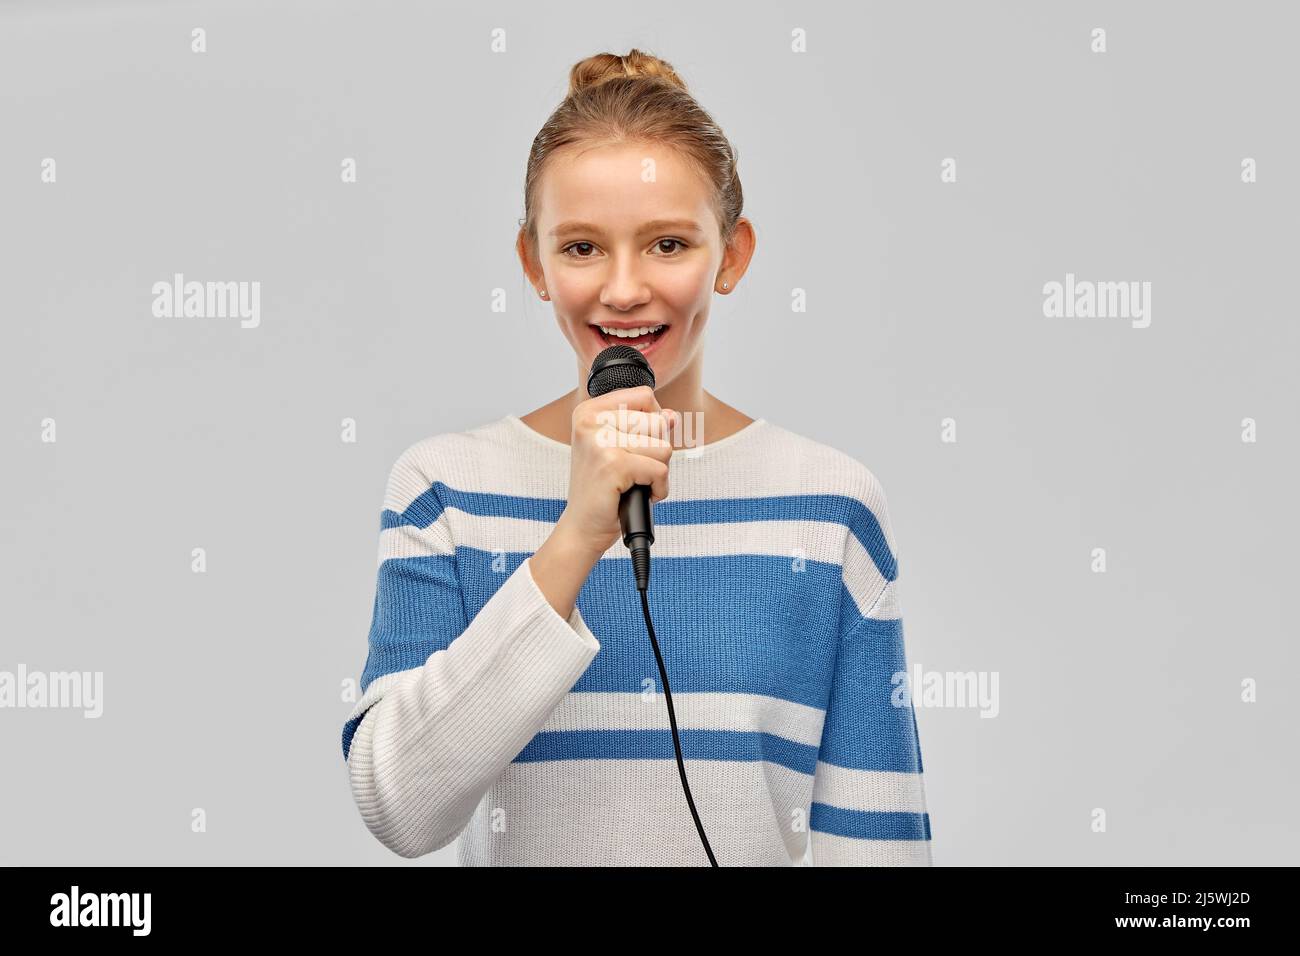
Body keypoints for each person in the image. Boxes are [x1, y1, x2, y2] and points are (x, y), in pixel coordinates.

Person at [341, 49, 933, 866]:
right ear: (532, 263)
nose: (622, 290)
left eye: (666, 244)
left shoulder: (829, 506)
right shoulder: (445, 490)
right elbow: (398, 806)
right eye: (581, 247)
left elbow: (877, 840)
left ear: (731, 255)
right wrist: (576, 536)